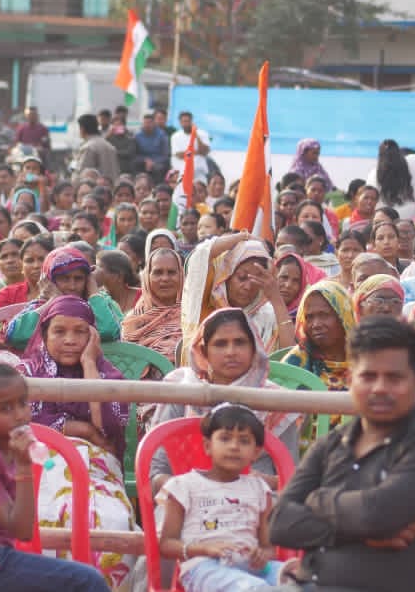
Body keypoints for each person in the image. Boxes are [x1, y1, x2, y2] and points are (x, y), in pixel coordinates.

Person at [266, 316, 415, 592]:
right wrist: (355, 531)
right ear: (351, 380)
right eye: (369, 376)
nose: (380, 388)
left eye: (394, 378)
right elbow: (279, 523)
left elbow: (377, 514)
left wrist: (318, 499)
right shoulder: (332, 445)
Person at [0, 364, 110, 592]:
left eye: (22, 403)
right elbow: (21, 530)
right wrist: (23, 468)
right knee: (87, 581)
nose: (20, 414)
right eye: (5, 408)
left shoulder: (8, 449)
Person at [19, 295, 137, 588]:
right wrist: (79, 428)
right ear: (44, 333)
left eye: (80, 332)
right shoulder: (25, 374)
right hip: (40, 465)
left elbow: (106, 431)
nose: (70, 340)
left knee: (112, 521)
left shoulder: (108, 375)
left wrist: (89, 365)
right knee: (47, 513)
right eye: (59, 331)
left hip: (96, 468)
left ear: (93, 336)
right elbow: (21, 428)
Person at [150, 309, 303, 486]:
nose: (231, 352)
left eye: (240, 343)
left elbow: (290, 475)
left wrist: (258, 483)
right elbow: (156, 470)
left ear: (254, 348)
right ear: (204, 351)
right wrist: (187, 491)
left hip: (257, 502)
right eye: (221, 344)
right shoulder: (183, 389)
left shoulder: (276, 401)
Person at [157, 404, 287, 591]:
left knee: (301, 579)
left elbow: (268, 547)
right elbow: (167, 545)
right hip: (204, 567)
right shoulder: (183, 486)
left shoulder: (259, 489)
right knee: (254, 588)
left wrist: (262, 555)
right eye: (225, 439)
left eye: (244, 441)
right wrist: (204, 549)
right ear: (208, 446)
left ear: (255, 452)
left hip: (253, 568)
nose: (234, 447)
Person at [181, 233, 295, 355]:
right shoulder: (207, 304)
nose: (248, 287)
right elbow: (200, 257)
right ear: (227, 276)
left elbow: (288, 355)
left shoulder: (267, 314)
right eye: (241, 278)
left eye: (255, 280)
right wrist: (243, 237)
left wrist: (276, 298)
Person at [283, 281, 356, 393]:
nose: (316, 324)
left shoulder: (366, 360)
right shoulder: (297, 361)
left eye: (324, 315)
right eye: (309, 317)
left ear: (343, 316)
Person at [121, 247, 184, 376]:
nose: (165, 278)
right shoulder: (133, 321)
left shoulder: (192, 316)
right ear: (147, 277)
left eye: (171, 272)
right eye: (158, 272)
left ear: (181, 275)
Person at [366, 139, 415, 221]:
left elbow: (370, 199)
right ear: (398, 152)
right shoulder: (414, 162)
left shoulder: (373, 174)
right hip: (414, 220)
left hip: (385, 222)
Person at [74, 113, 119, 183]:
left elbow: (81, 175)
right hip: (111, 189)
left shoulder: (88, 147)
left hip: (95, 191)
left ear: (82, 129)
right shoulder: (109, 145)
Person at [171, 112, 212, 182]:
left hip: (199, 172)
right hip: (182, 172)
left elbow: (205, 151)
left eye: (188, 121)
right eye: (184, 121)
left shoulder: (202, 133)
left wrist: (195, 134)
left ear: (191, 121)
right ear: (180, 122)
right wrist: (196, 152)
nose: (186, 124)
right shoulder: (175, 136)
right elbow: (179, 155)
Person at [134, 113, 170, 181]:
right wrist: (145, 160)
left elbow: (165, 154)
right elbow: (135, 154)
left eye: (149, 123)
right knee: (135, 164)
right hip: (143, 161)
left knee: (159, 168)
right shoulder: (137, 136)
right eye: (145, 123)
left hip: (158, 161)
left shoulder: (162, 135)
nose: (147, 125)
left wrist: (153, 162)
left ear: (154, 123)